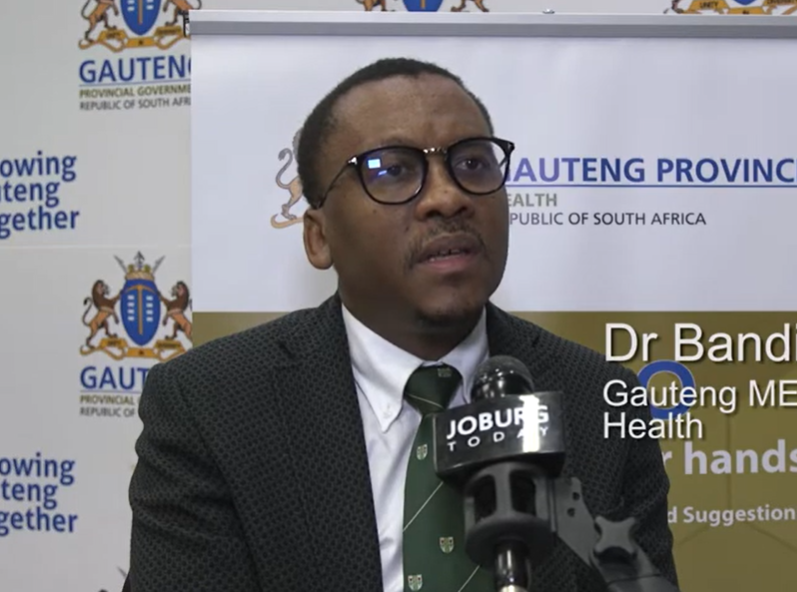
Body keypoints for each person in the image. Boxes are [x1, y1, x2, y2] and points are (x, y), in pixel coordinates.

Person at [125, 57, 676, 592]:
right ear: (319, 237)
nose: (448, 197)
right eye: (392, 170)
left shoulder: (601, 399)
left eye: (472, 164)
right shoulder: (211, 406)